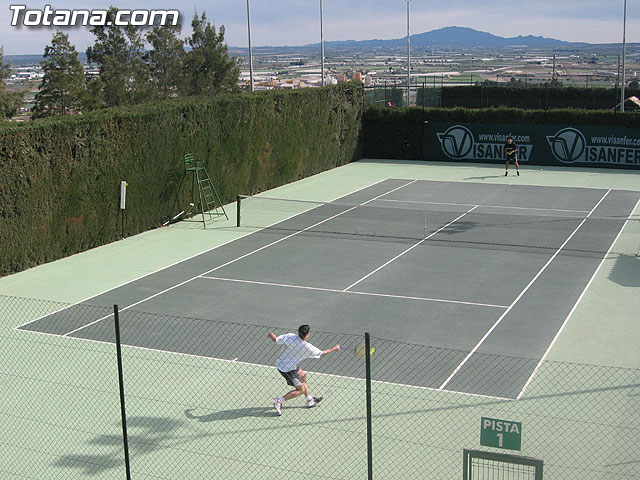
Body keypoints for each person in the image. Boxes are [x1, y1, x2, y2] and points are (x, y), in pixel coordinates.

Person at [268, 325, 340, 416]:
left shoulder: (290, 336)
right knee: (300, 389)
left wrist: (271, 335)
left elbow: (275, 339)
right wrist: (334, 348)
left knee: (303, 375)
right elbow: (321, 353)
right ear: (307, 334)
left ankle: (310, 400)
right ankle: (278, 401)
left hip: (283, 363)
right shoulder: (307, 347)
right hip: (287, 369)